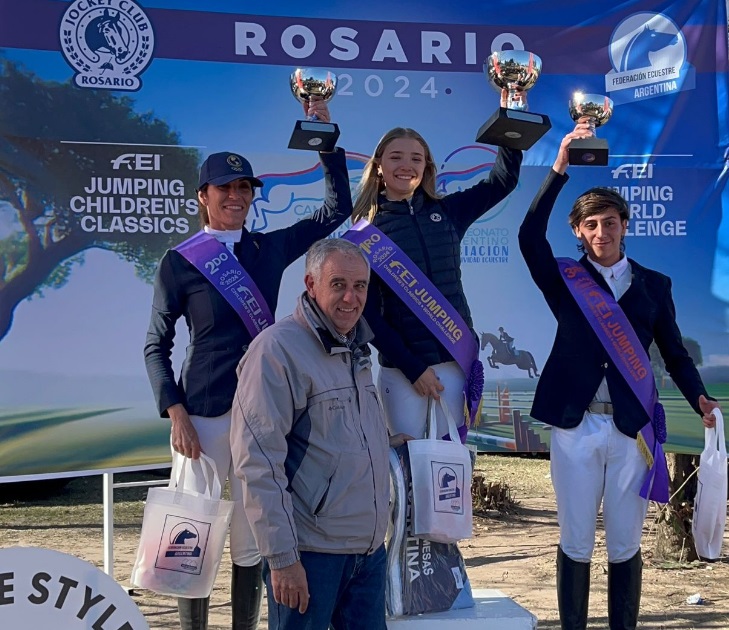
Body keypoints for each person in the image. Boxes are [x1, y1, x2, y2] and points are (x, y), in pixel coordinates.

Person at [143, 99, 352, 630]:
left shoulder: (269, 248)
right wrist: (176, 413)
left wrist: (324, 134)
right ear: (203, 196)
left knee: (251, 539)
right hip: (203, 416)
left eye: (244, 188)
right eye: (225, 188)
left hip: (261, 412)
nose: (236, 196)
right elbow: (156, 345)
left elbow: (336, 209)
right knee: (191, 541)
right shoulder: (180, 260)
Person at [518, 123, 720, 630]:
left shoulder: (655, 285)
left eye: (609, 222)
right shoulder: (565, 279)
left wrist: (699, 397)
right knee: (576, 541)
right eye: (590, 225)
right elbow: (528, 236)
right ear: (578, 231)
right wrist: (559, 167)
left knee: (626, 543)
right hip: (575, 424)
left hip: (632, 430)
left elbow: (675, 353)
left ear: (625, 225)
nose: (600, 233)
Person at [230, 238, 403, 630]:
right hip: (309, 556)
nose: (351, 298)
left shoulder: (357, 347)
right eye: (338, 284)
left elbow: (340, 439)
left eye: (360, 286)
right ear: (311, 284)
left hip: (368, 554)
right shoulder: (276, 351)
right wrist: (283, 559)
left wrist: (391, 444)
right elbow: (257, 463)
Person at [351, 93, 523, 441]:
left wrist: (512, 115)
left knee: (452, 462)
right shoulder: (366, 233)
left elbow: (502, 181)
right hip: (404, 373)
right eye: (396, 157)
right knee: (406, 462)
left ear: (427, 167)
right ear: (379, 165)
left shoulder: (448, 212)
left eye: (416, 158)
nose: (406, 165)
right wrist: (413, 368)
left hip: (455, 363)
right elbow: (368, 317)